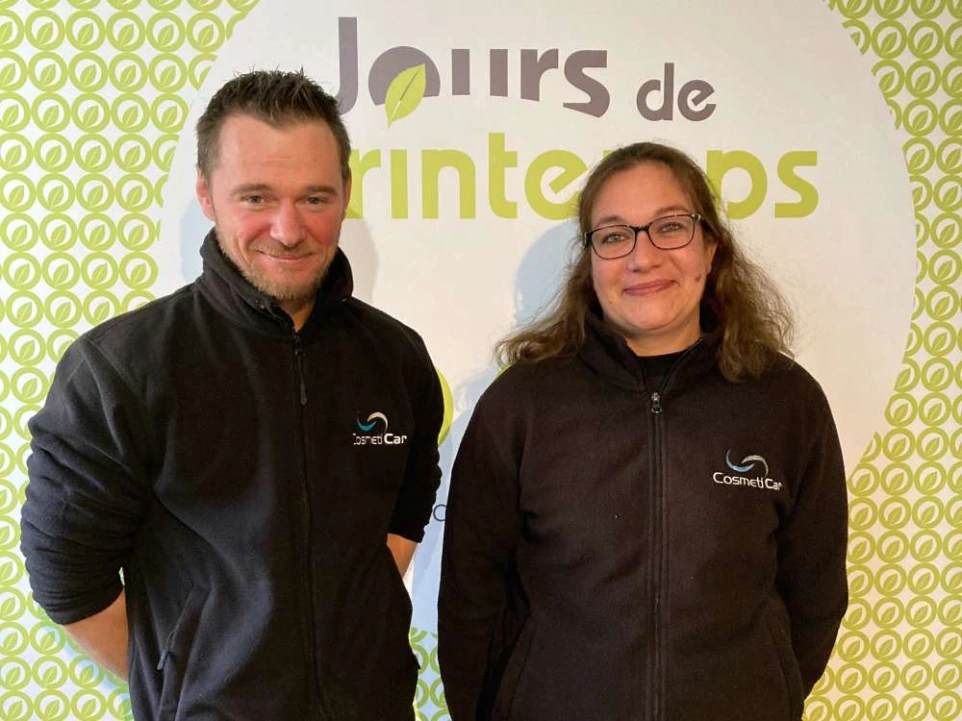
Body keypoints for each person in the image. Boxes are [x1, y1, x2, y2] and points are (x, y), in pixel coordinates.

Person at [21, 69, 443, 721]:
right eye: (256, 197)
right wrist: (186, 680)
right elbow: (67, 578)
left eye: (314, 197)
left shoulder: (395, 355)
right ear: (206, 195)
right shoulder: (123, 368)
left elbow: (406, 508)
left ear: (346, 193)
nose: (288, 228)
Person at [438, 142, 848, 721]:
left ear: (710, 247)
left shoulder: (786, 402)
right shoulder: (521, 405)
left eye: (670, 227)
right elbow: (469, 601)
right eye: (614, 236)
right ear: (589, 263)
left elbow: (815, 595)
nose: (642, 257)